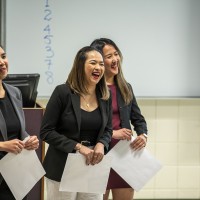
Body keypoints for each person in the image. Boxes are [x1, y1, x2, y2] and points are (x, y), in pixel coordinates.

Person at [40, 46, 112, 200]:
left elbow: (108, 129)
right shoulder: (62, 92)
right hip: (62, 166)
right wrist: (78, 147)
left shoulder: (105, 95)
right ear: (80, 66)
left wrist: (101, 144)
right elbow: (46, 132)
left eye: (101, 64)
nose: (98, 68)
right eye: (93, 63)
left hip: (92, 166)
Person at [90, 38, 148, 200]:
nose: (115, 59)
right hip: (100, 153)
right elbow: (87, 123)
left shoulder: (125, 87)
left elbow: (138, 119)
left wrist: (143, 135)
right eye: (109, 56)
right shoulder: (91, 89)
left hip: (124, 156)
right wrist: (114, 133)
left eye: (116, 54)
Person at [0, 44, 39, 200]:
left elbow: (18, 130)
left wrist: (29, 140)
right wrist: (2, 145)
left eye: (3, 56)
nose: (2, 62)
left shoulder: (15, 92)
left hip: (15, 173)